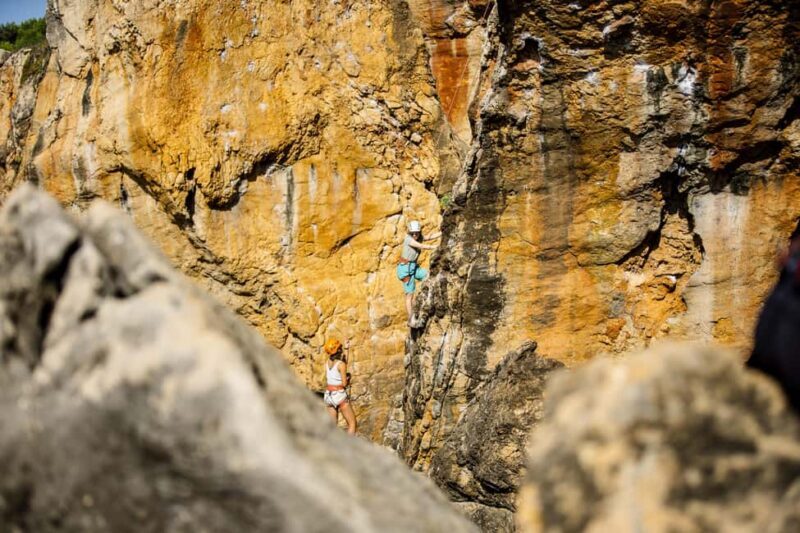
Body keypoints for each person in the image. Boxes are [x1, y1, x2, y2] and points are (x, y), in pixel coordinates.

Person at [396, 220, 441, 324]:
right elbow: (420, 246)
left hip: (414, 267)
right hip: (405, 270)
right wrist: (434, 247)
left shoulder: (419, 237)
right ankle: (411, 318)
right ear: (409, 232)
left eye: (417, 232)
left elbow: (429, 237)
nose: (415, 235)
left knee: (428, 275)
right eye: (413, 233)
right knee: (409, 295)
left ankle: (428, 299)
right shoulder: (408, 239)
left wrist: (442, 232)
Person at [323, 338, 357, 435]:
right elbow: (344, 383)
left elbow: (342, 362)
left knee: (332, 427)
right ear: (338, 350)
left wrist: (347, 348)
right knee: (352, 423)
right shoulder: (341, 364)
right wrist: (347, 378)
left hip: (328, 396)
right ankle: (348, 448)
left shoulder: (328, 361)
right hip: (338, 395)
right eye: (340, 347)